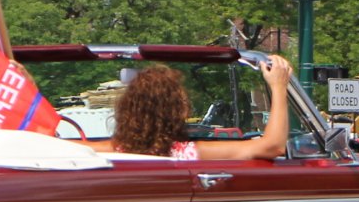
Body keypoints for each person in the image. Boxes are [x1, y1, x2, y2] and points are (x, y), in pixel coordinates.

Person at [88, 55, 291, 161]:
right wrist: (279, 86)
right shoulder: (188, 152)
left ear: (127, 110)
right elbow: (273, 146)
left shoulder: (111, 150)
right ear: (178, 112)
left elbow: (65, 146)